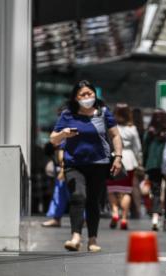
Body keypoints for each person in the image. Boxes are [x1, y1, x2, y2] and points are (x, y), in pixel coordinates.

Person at [50, 80, 123, 252]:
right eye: (83, 94)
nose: (87, 97)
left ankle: (92, 239)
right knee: (78, 196)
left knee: (93, 202)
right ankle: (75, 237)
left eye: (90, 93)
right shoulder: (68, 115)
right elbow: (53, 139)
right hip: (73, 164)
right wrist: (63, 134)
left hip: (99, 164)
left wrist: (118, 157)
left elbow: (115, 136)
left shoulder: (104, 113)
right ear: (76, 98)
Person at [106, 103, 142, 230]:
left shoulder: (111, 127)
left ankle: (115, 213)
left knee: (111, 189)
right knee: (126, 190)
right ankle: (124, 218)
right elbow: (137, 147)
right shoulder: (132, 129)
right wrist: (139, 160)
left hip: (114, 157)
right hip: (129, 159)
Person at [143, 108, 166, 231]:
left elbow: (144, 149)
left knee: (155, 191)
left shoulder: (149, 132)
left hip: (152, 164)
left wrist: (145, 164)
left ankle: (155, 217)